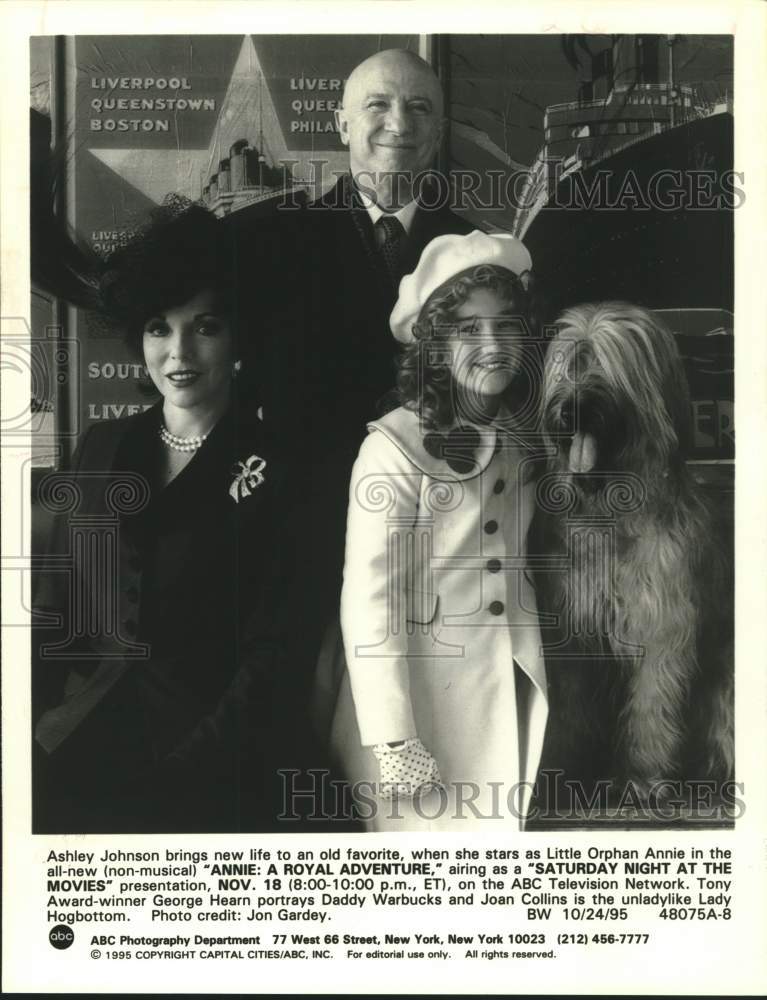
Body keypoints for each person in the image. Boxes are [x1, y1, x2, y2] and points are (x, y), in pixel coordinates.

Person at [32, 201, 313, 833]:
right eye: (159, 328)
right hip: (82, 745)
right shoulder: (102, 448)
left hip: (219, 768)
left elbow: (276, 654)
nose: (179, 351)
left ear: (238, 335)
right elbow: (55, 609)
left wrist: (183, 773)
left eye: (204, 326)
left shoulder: (280, 468)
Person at [229, 50, 473, 671]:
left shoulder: (475, 254)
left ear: (439, 131)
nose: (400, 121)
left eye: (420, 107)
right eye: (379, 104)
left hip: (434, 545)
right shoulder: (269, 242)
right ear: (341, 125)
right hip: (296, 540)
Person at [324, 230, 549, 830]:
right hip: (417, 713)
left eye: (505, 325)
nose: (493, 344)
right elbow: (370, 602)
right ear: (434, 346)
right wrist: (393, 738)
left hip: (502, 691)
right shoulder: (392, 450)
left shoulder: (525, 440)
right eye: (468, 330)